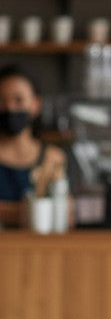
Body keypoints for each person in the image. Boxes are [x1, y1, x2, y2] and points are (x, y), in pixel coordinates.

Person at [0, 65, 68, 228]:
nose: (9, 108)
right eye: (1, 100)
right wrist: (37, 211)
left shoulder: (53, 158)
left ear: (36, 104)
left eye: (18, 100)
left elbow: (67, 215)